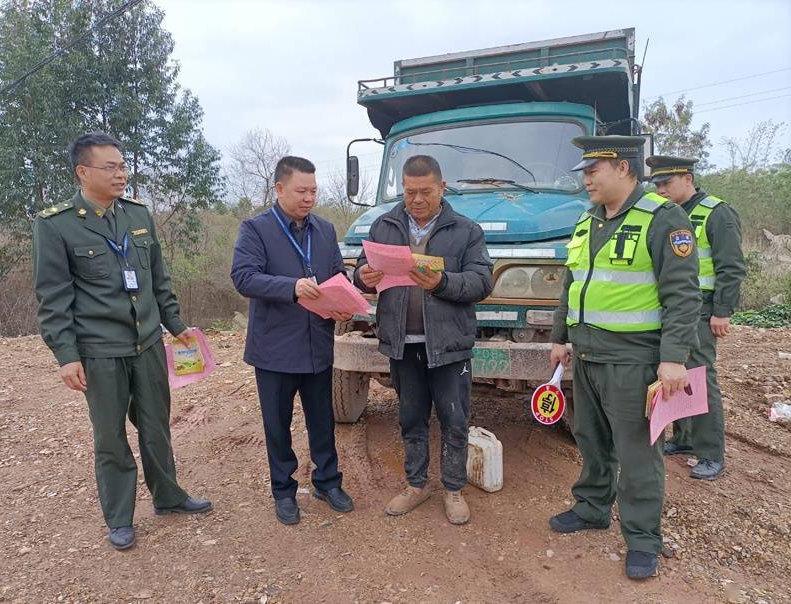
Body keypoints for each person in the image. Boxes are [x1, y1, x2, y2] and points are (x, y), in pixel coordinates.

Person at [33, 132, 212, 552]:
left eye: (123, 166)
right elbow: (53, 299)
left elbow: (157, 279)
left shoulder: (137, 215)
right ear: (83, 172)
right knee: (110, 438)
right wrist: (66, 355)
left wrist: (175, 323)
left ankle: (168, 497)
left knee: (156, 428)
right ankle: (119, 517)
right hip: (100, 351)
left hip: (146, 343)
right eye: (110, 167)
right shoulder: (54, 225)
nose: (121, 174)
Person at [549, 136, 701, 579]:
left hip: (634, 358)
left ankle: (642, 538)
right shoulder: (588, 220)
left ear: (624, 169)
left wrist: (673, 357)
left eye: (594, 170)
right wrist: (560, 337)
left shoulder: (663, 218)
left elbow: (683, 295)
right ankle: (593, 508)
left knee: (637, 452)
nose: (586, 179)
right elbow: (571, 284)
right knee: (591, 439)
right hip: (588, 353)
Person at [353, 155, 493, 525]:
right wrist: (362, 277)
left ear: (442, 188)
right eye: (409, 192)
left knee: (454, 418)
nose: (416, 200)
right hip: (403, 342)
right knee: (411, 417)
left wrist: (443, 283)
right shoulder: (385, 225)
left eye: (425, 192)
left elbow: (482, 281)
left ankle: (453, 488)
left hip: (448, 344)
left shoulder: (465, 230)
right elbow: (361, 272)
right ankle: (416, 485)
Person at [231, 156, 354, 525]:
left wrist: (344, 302)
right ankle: (283, 490)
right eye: (301, 190)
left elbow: (334, 274)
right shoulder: (256, 229)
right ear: (280, 189)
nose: (308, 198)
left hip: (317, 343)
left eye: (313, 190)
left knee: (322, 420)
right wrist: (291, 287)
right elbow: (243, 278)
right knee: (277, 424)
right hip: (275, 349)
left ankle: (327, 481)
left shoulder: (325, 229)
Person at [647, 155, 745, 480]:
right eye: (656, 184)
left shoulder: (717, 213)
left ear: (687, 178)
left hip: (703, 310)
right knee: (676, 374)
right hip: (672, 308)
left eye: (666, 183)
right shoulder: (667, 216)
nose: (660, 189)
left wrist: (722, 311)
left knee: (701, 376)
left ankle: (711, 453)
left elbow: (731, 266)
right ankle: (685, 438)